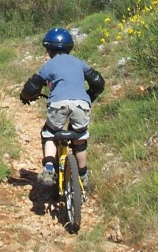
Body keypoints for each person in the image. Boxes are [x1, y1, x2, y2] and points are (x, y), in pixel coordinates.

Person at [20, 27, 105, 190]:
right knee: (79, 138)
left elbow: (33, 86)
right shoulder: (79, 62)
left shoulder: (49, 65)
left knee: (50, 133)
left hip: (58, 104)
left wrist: (25, 97)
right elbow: (98, 82)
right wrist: (90, 95)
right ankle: (83, 175)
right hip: (81, 104)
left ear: (48, 48)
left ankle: (49, 169)